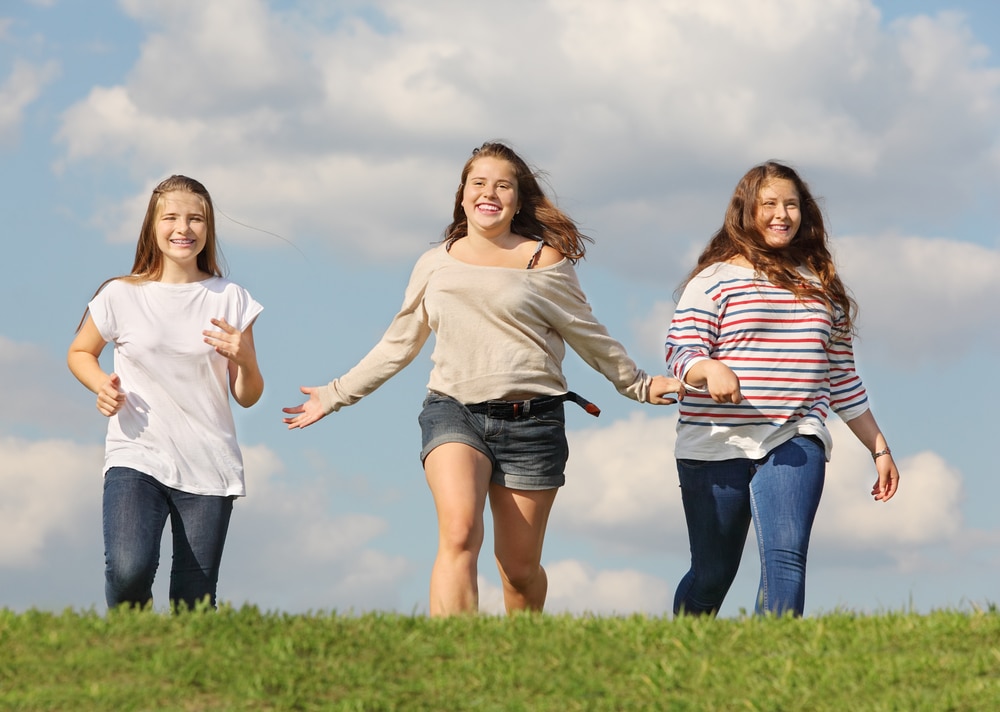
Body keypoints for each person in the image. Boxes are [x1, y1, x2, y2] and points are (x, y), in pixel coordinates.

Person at [283, 141, 683, 616]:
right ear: (463, 194)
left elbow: (589, 336)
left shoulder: (546, 262)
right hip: (453, 412)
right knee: (458, 533)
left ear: (517, 199)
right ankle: (454, 662)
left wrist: (638, 384)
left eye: (502, 185)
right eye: (478, 183)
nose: (488, 193)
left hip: (532, 423)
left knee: (519, 570)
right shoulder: (436, 263)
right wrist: (334, 394)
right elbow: (399, 344)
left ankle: (520, 656)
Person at [664, 161, 899, 617]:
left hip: (795, 436)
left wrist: (879, 449)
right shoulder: (713, 280)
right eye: (769, 204)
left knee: (786, 561)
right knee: (713, 573)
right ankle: (681, 658)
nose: (781, 214)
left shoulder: (822, 288)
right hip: (715, 442)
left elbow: (843, 378)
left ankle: (773, 670)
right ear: (746, 211)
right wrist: (710, 369)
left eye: (791, 204)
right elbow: (681, 351)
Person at [68, 175, 264, 611]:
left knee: (192, 604)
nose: (184, 228)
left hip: (208, 464)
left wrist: (245, 360)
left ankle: (181, 674)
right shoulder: (119, 294)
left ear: (208, 229)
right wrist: (101, 385)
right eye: (171, 217)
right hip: (136, 455)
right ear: (152, 227)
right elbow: (81, 351)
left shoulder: (231, 298)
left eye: (196, 219)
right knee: (128, 570)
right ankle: (128, 650)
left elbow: (247, 394)